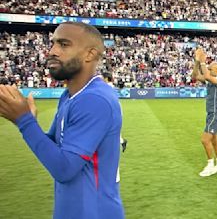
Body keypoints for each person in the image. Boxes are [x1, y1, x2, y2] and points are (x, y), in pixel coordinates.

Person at [0, 22, 124, 219]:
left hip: (93, 212)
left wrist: (24, 121)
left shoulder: (95, 99)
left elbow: (65, 169)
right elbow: (57, 149)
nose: (52, 51)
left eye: (64, 45)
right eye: (53, 44)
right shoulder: (70, 95)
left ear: (89, 54)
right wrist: (26, 121)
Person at [191, 48, 217, 177]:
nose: (209, 71)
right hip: (212, 113)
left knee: (205, 139)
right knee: (215, 140)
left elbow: (205, 75)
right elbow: (195, 76)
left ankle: (210, 165)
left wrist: (203, 62)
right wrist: (197, 61)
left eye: (211, 69)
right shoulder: (211, 79)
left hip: (216, 113)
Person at [102, 71, 128, 152]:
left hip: (112, 111)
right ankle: (121, 141)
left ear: (106, 78)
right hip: (114, 110)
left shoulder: (107, 87)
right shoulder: (109, 87)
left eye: (102, 78)